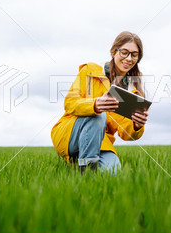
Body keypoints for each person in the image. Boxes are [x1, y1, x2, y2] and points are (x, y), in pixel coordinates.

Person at [51, 31, 149, 174]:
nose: (129, 58)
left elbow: (127, 135)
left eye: (134, 55)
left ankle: (85, 166)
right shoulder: (90, 71)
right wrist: (94, 105)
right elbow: (69, 103)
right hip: (71, 134)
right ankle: (86, 172)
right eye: (125, 52)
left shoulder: (131, 93)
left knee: (114, 173)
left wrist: (137, 125)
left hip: (102, 143)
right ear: (114, 51)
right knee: (99, 116)